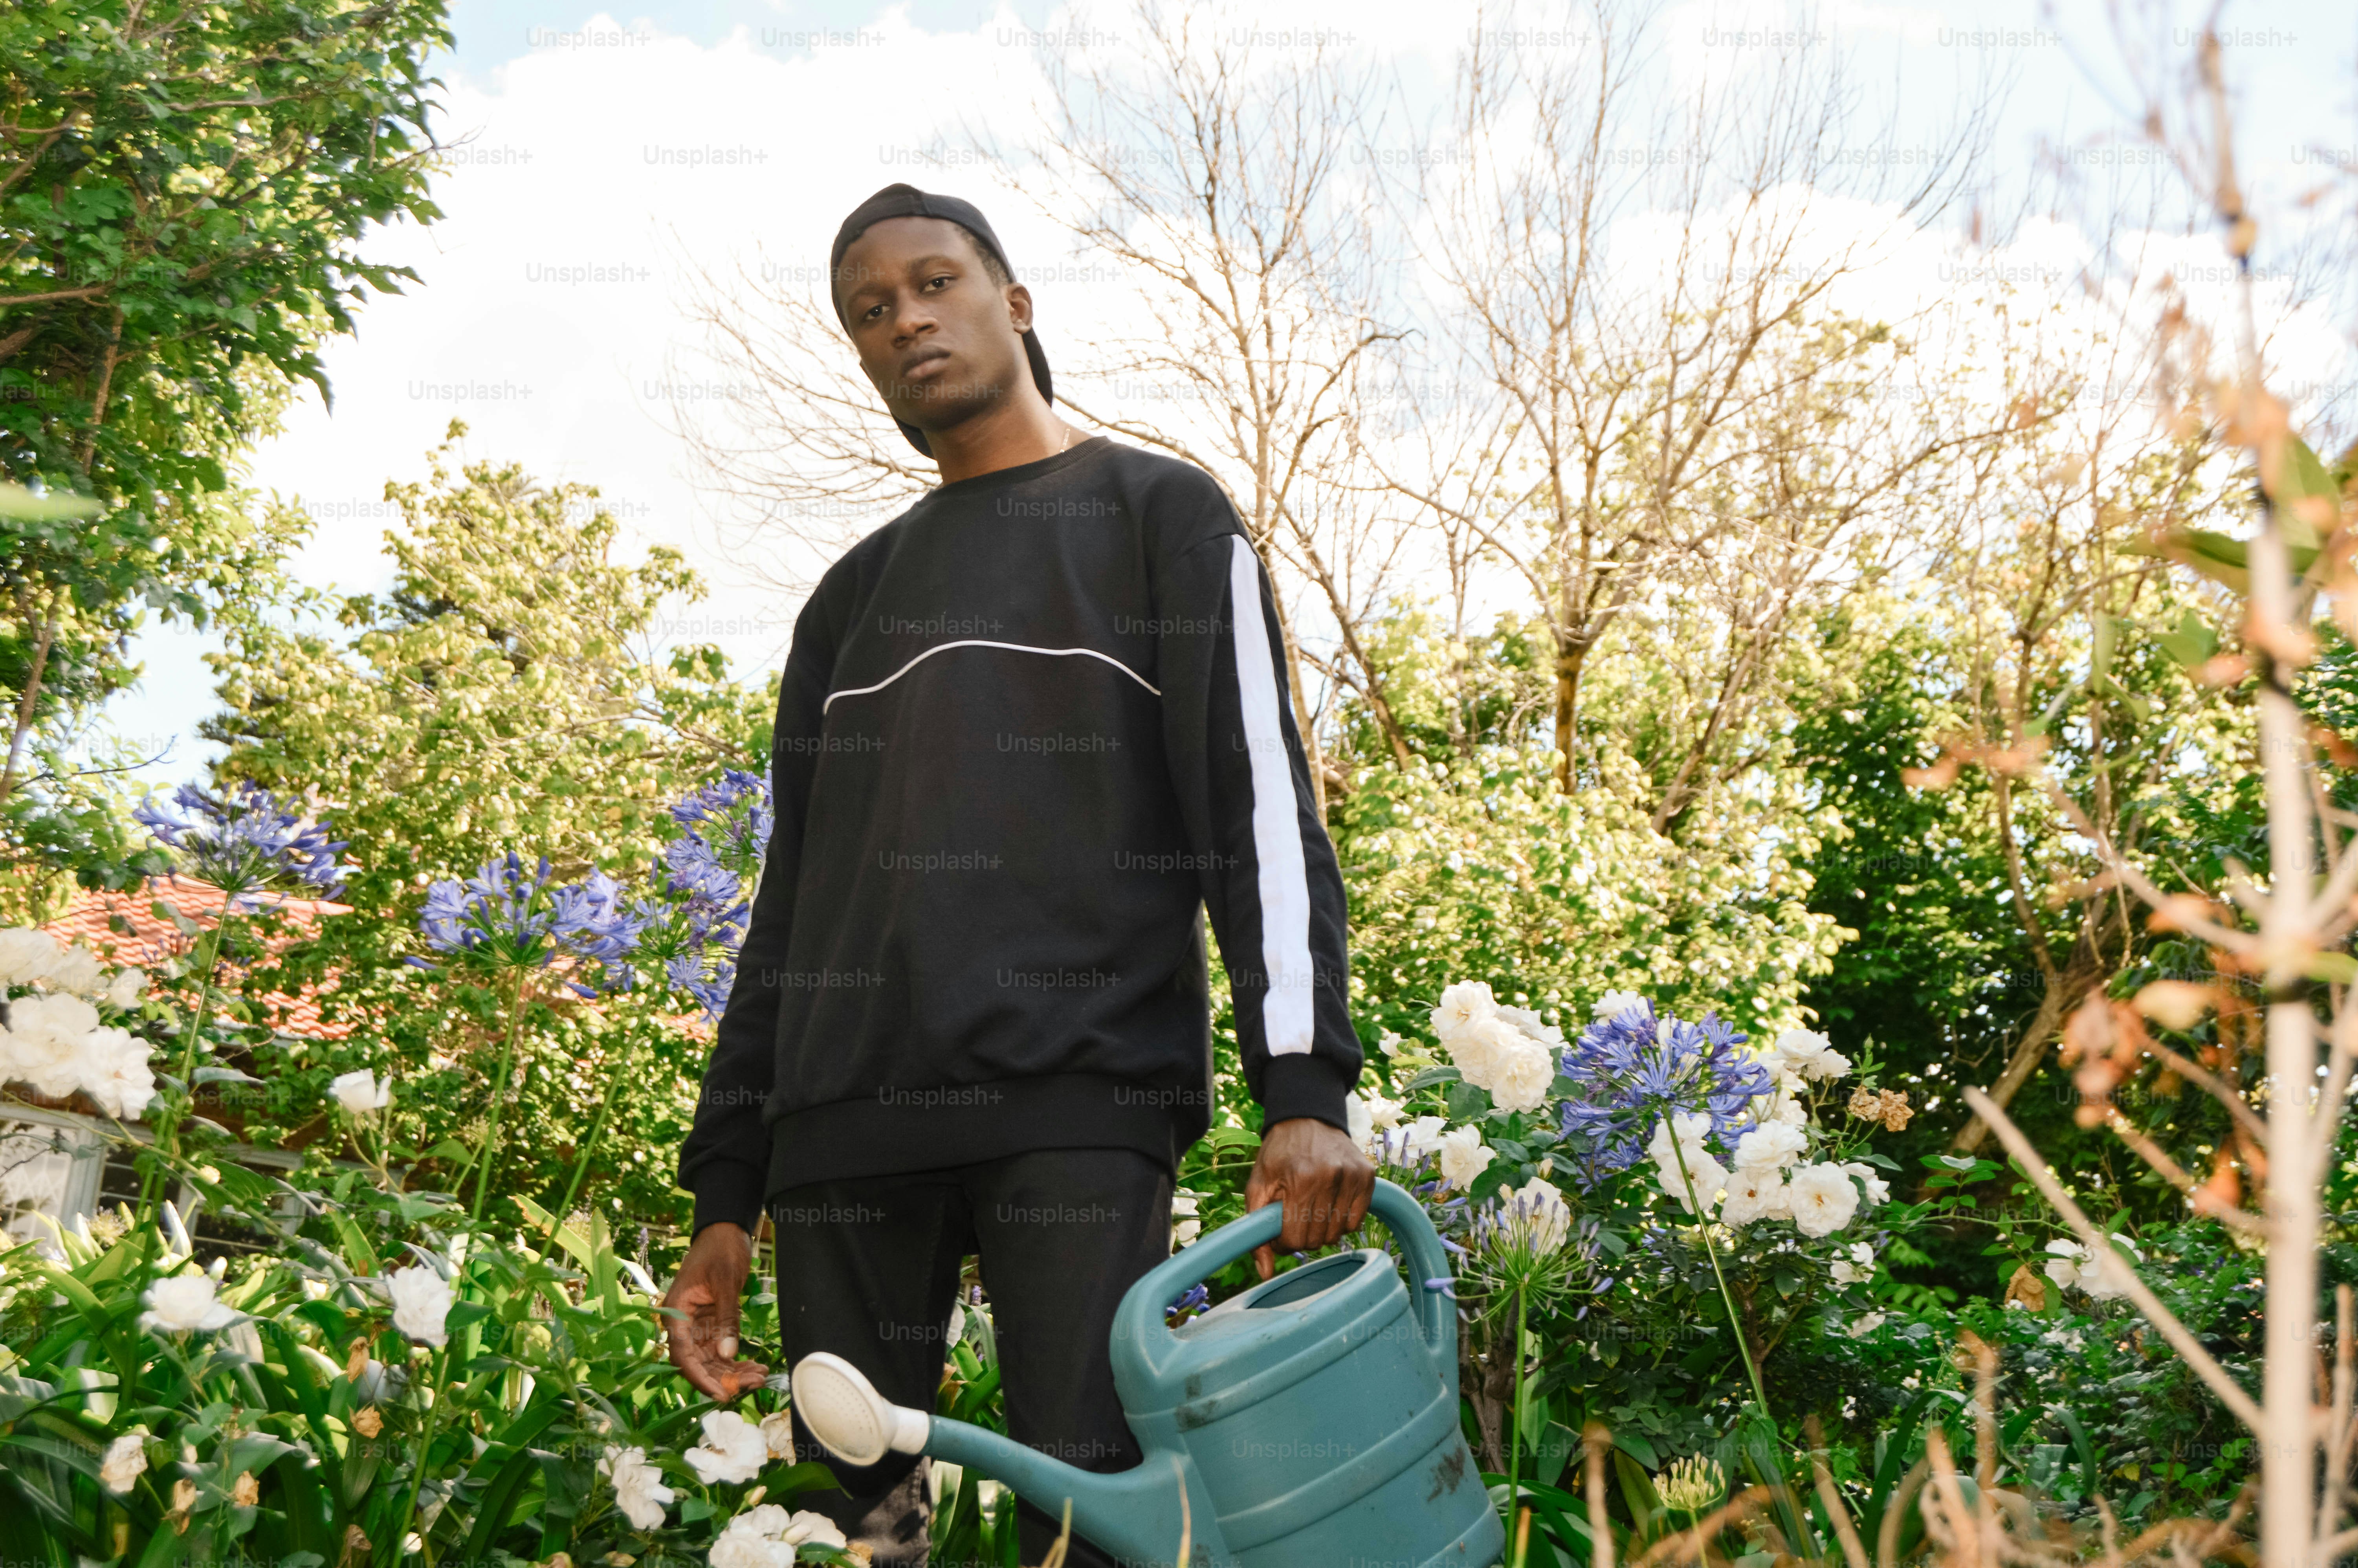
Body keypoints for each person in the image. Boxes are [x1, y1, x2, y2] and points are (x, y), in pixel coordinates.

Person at [661, 183, 1375, 1566]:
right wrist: (725, 1193)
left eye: (934, 283)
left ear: (1014, 302)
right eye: (871, 310)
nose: (905, 320)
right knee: (848, 1536)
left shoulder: (1159, 516)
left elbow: (1256, 807)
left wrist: (1303, 1088)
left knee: (1095, 1518)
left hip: (1077, 1102)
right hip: (842, 1135)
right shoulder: (848, 599)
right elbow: (791, 909)